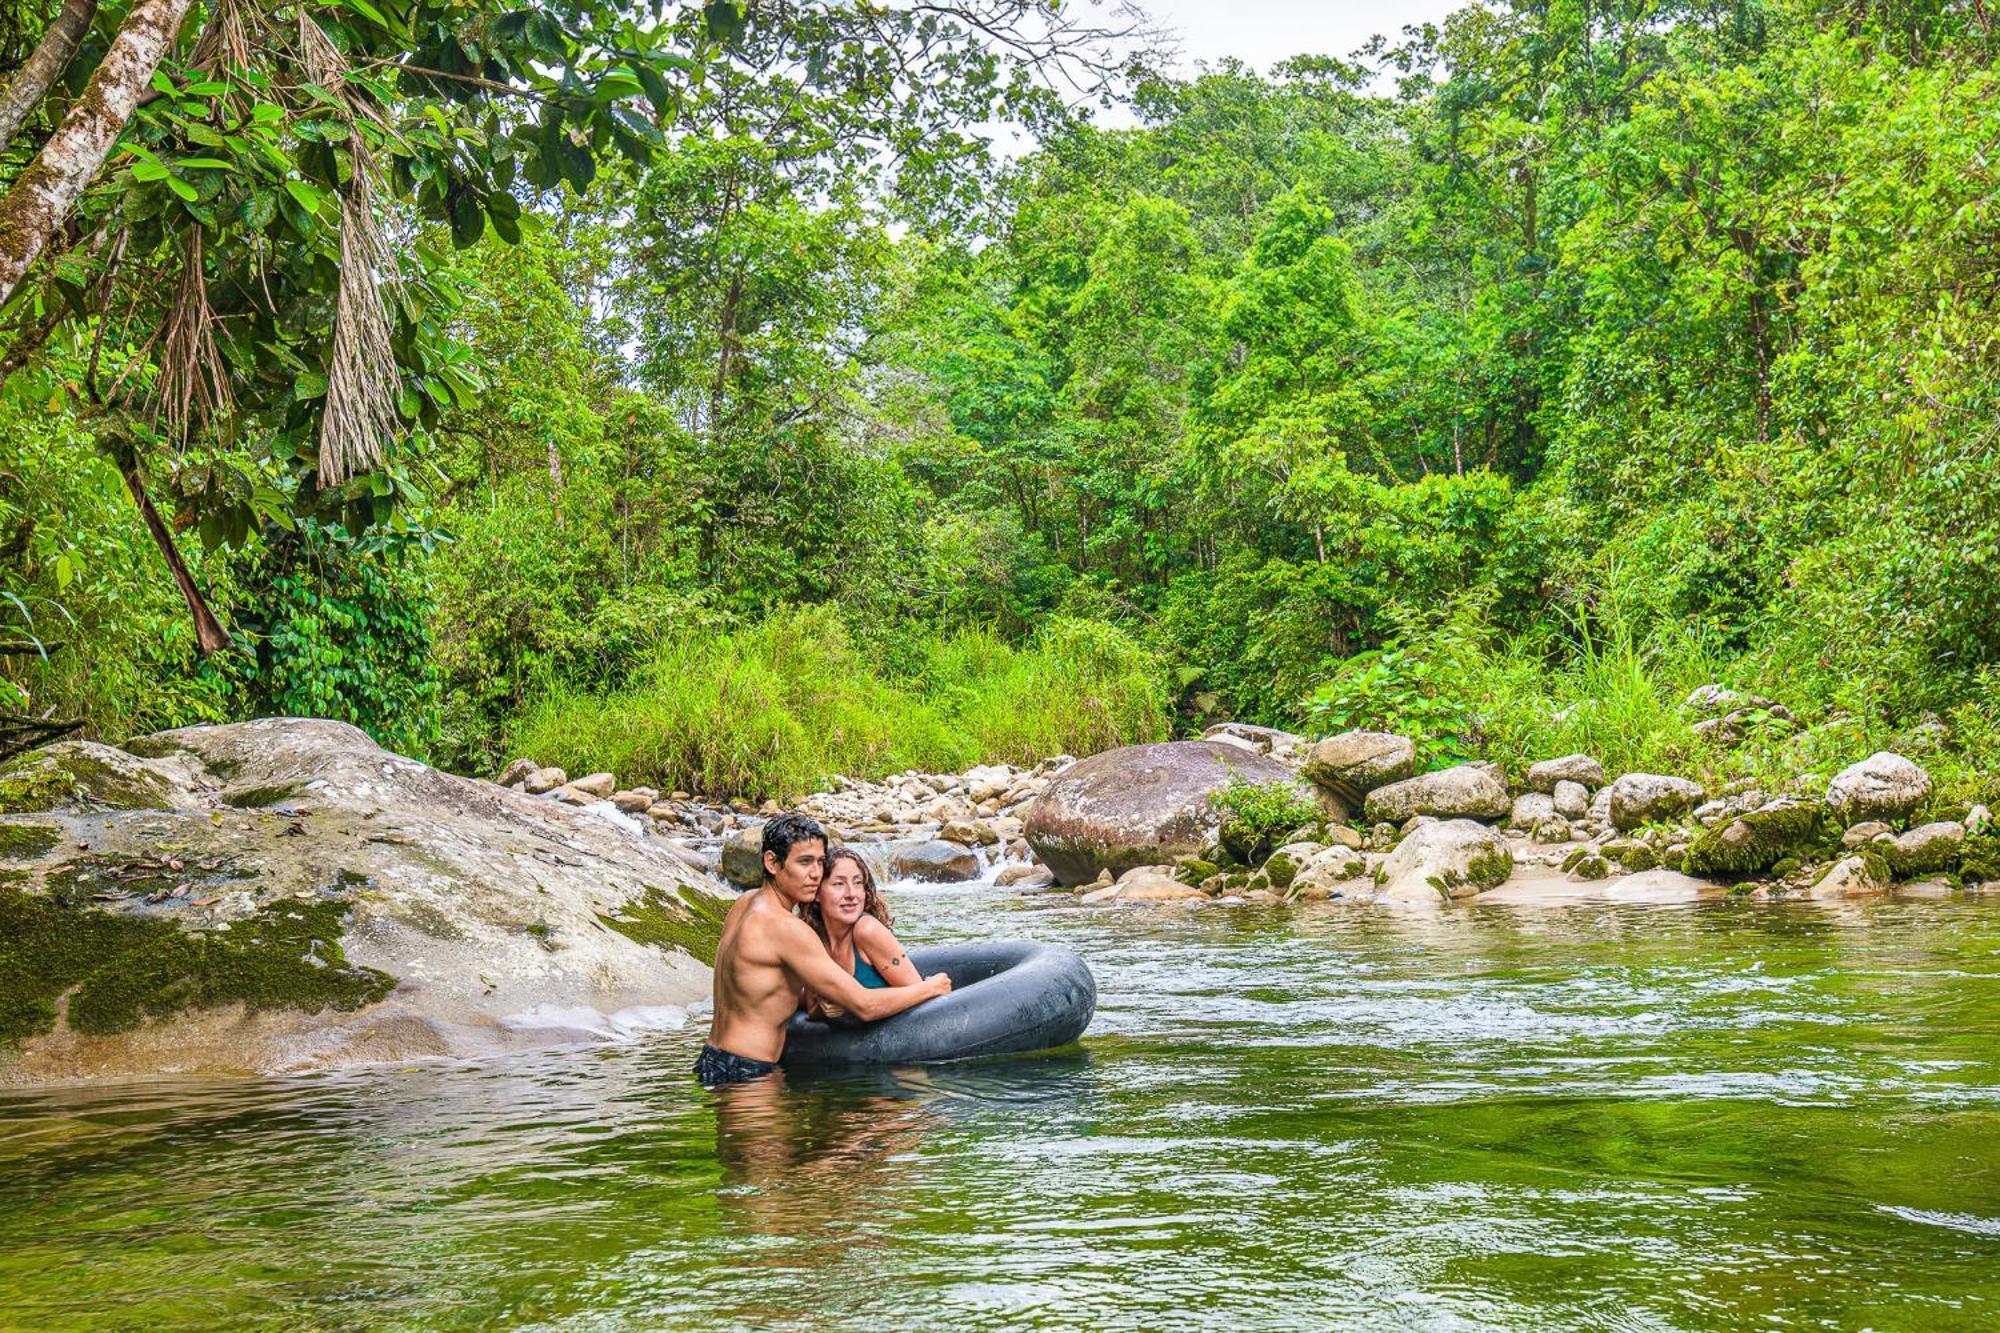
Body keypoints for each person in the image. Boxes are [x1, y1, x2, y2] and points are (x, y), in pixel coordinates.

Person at [696, 812, 950, 1087]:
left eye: (819, 862)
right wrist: (932, 988)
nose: (816, 874)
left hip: (713, 1059)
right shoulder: (786, 928)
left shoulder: (744, 904)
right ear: (772, 862)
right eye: (804, 862)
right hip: (749, 1071)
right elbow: (864, 1005)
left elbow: (767, 993)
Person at [800, 848, 919, 1020]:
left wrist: (851, 1003)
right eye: (839, 884)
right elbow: (812, 1010)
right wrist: (831, 1006)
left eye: (857, 883)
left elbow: (924, 996)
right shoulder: (814, 939)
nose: (851, 894)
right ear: (817, 893)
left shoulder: (867, 930)